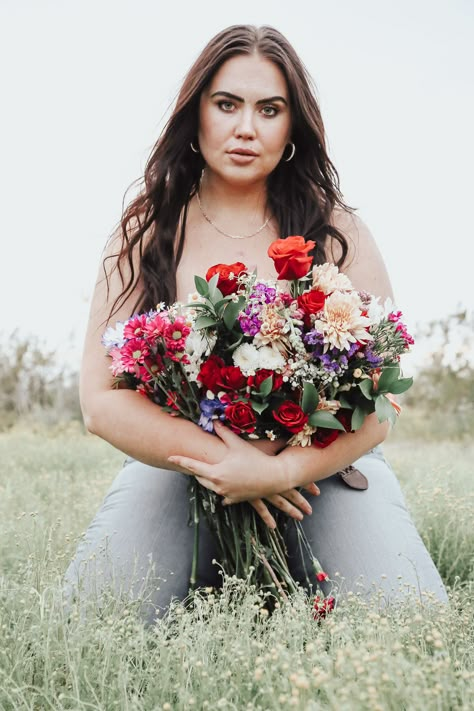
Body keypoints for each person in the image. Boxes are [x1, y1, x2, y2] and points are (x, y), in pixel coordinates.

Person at [64, 25, 448, 625]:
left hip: (322, 471)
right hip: (178, 465)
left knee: (408, 623)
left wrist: (278, 471)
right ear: (197, 115)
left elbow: (381, 405)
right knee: (88, 623)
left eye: (269, 110)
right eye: (227, 105)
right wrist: (231, 468)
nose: (246, 127)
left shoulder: (337, 230)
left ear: (291, 128)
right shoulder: (144, 231)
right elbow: (99, 402)